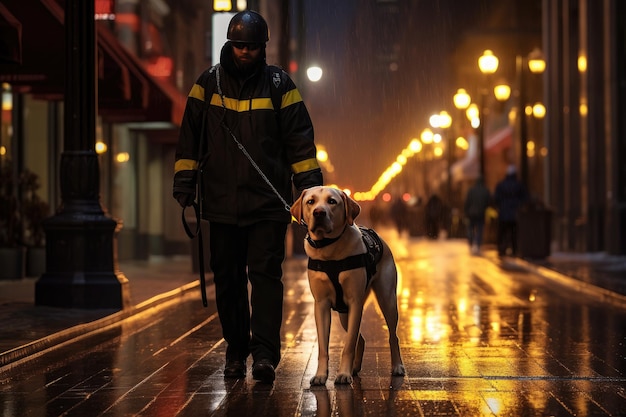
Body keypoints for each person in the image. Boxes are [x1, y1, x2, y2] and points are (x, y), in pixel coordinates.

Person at [172, 10, 323, 383]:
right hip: (221, 204)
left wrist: (310, 192)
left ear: (263, 47)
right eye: (239, 45)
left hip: (268, 206)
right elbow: (189, 137)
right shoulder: (207, 84)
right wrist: (184, 182)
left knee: (267, 278)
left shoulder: (279, 85)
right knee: (227, 280)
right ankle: (236, 351)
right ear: (229, 43)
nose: (245, 52)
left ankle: (265, 356)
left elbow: (300, 143)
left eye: (252, 46)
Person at [493, 165, 528, 257]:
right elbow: (525, 198)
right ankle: (514, 249)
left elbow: (496, 198)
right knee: (514, 232)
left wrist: (500, 206)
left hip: (503, 213)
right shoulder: (519, 185)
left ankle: (501, 248)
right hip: (514, 213)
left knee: (503, 232)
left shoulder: (501, 185)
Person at [463, 176, 491, 255]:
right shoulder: (485, 191)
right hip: (481, 213)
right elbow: (488, 202)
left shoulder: (471, 190)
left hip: (471, 213)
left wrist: (466, 211)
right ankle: (477, 243)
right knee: (479, 229)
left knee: (471, 227)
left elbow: (467, 201)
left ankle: (471, 240)